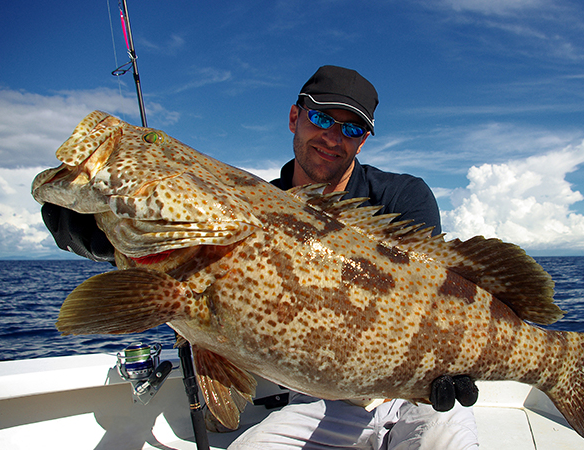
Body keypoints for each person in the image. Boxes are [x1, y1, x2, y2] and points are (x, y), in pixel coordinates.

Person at [41, 65, 479, 449]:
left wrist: (448, 363)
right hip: (320, 401)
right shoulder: (248, 204)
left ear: (362, 141)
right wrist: (101, 232)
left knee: (446, 437)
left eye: (351, 128)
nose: (332, 136)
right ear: (295, 117)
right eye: (322, 117)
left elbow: (436, 295)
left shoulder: (403, 196)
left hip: (415, 392)